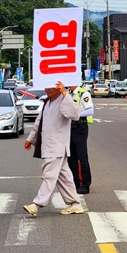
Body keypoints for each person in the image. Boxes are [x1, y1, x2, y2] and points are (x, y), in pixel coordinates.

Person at [23, 81, 84, 216]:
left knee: (49, 175)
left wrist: (64, 93)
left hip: (57, 145)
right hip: (50, 144)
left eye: (50, 87)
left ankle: (37, 204)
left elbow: (75, 114)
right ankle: (75, 204)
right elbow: (39, 122)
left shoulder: (64, 99)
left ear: (58, 87)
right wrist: (31, 138)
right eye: (45, 86)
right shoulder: (47, 102)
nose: (47, 89)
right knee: (64, 176)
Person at [68, 84, 94, 194]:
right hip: (69, 127)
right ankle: (76, 183)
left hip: (80, 127)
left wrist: (76, 115)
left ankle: (85, 184)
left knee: (82, 156)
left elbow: (90, 111)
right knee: (71, 157)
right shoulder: (69, 94)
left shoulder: (84, 93)